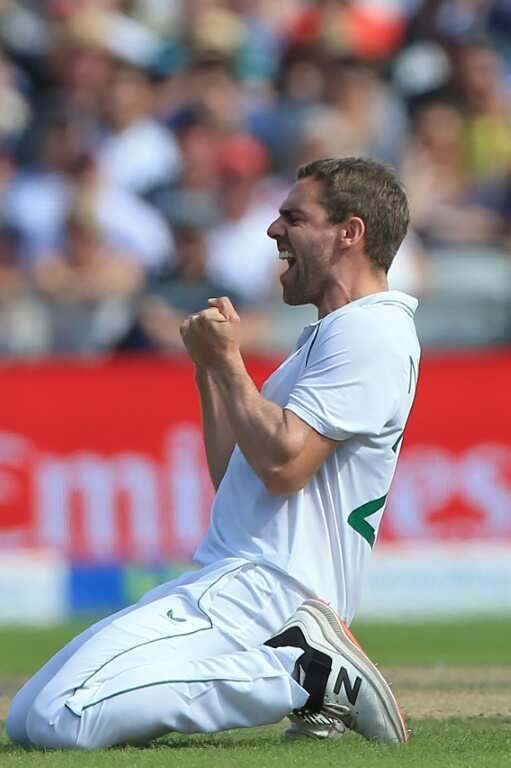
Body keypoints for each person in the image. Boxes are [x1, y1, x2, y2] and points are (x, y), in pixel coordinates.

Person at [6, 157, 420, 749]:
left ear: (349, 232)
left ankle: (306, 677)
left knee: (60, 718)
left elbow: (284, 466)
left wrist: (229, 364)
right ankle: (306, 670)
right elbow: (236, 470)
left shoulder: (369, 331)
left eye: (292, 217)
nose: (274, 232)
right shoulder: (337, 332)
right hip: (239, 580)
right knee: (26, 717)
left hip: (268, 592)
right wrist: (212, 370)